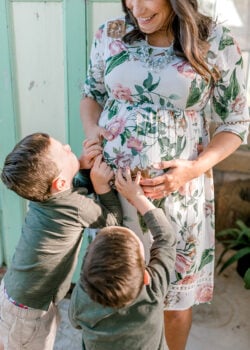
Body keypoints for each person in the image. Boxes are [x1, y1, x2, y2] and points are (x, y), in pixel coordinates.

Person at [79, 1, 250, 349]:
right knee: (113, 288)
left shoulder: (213, 40)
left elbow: (237, 120)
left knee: (173, 298)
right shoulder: (111, 33)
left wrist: (193, 170)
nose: (136, 7)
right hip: (110, 190)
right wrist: (93, 129)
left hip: (177, 193)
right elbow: (92, 93)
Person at [0, 132, 123, 350]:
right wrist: (102, 186)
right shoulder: (75, 208)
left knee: (10, 341)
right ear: (60, 182)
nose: (68, 146)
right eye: (64, 152)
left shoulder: (42, 196)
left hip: (13, 293)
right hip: (30, 311)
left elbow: (70, 190)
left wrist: (81, 168)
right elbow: (112, 221)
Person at [69, 167, 176, 350]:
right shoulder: (153, 290)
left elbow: (75, 322)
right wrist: (137, 197)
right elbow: (166, 237)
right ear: (145, 277)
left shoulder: (83, 295)